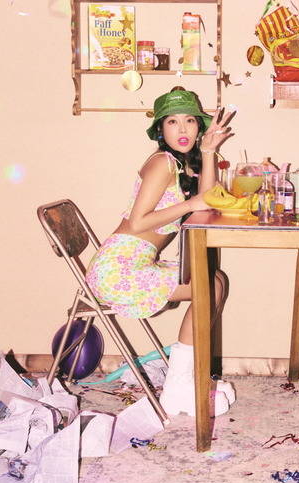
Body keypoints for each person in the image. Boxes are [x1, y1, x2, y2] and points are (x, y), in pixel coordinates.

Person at [86, 87, 235, 418]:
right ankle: (179, 386)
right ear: (160, 130)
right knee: (210, 286)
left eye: (189, 121)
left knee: (215, 281)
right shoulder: (162, 163)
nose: (182, 130)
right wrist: (191, 204)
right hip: (118, 269)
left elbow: (208, 198)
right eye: (172, 122)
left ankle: (184, 380)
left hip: (134, 262)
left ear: (198, 127)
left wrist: (209, 151)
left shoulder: (180, 164)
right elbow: (139, 221)